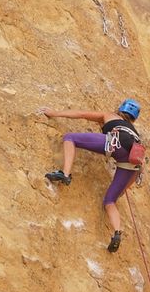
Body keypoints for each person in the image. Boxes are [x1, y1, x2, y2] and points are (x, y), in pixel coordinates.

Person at [42, 99, 143, 253]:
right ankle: (116, 232)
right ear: (134, 117)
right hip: (133, 163)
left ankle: (65, 174)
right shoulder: (134, 132)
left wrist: (54, 113)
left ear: (120, 109)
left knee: (70, 137)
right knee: (110, 201)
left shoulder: (110, 116)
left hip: (115, 144)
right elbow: (130, 182)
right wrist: (121, 189)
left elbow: (81, 114)